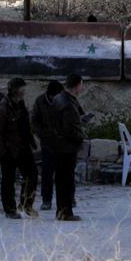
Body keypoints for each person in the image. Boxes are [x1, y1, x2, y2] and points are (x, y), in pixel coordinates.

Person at [0, 78, 38, 219]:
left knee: (32, 175)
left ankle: (26, 204)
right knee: (8, 180)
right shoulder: (2, 109)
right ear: (16, 91)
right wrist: (3, 151)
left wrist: (32, 141)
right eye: (22, 89)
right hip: (9, 150)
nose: (24, 92)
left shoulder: (20, 105)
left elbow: (25, 125)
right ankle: (10, 209)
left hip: (23, 147)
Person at [52, 73, 88, 221]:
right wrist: (80, 136)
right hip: (66, 147)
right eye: (82, 84)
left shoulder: (59, 98)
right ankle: (65, 212)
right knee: (65, 180)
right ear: (78, 85)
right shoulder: (67, 102)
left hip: (60, 145)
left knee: (62, 180)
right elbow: (68, 128)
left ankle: (63, 210)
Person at [31, 79, 63, 211]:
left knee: (64, 172)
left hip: (63, 142)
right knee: (47, 172)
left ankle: (67, 198)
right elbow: (35, 120)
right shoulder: (40, 102)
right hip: (47, 142)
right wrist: (42, 134)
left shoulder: (64, 100)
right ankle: (46, 200)